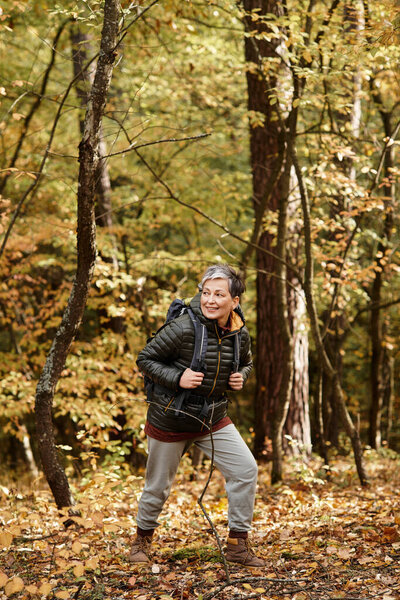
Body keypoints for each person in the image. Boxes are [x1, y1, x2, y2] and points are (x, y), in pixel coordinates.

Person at [130, 264, 264, 567]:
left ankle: (237, 546)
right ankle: (141, 541)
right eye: (206, 293)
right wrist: (178, 377)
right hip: (170, 418)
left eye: (219, 294)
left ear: (235, 301)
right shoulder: (182, 327)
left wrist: (241, 375)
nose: (210, 300)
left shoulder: (239, 333)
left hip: (212, 419)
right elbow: (145, 358)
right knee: (158, 486)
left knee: (245, 470)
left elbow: (247, 363)